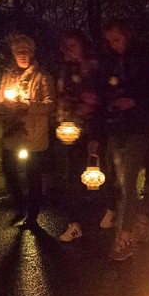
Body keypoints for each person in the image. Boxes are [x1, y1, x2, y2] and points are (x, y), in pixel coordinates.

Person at [100, 19, 149, 261]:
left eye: (117, 39)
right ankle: (142, 222)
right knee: (116, 181)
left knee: (128, 183)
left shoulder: (144, 60)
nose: (113, 44)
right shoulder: (112, 61)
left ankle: (125, 237)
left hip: (137, 128)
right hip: (116, 127)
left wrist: (134, 101)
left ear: (127, 36)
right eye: (110, 41)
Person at [0, 34, 55, 228]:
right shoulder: (7, 76)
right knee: (8, 169)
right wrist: (5, 106)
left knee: (33, 175)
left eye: (26, 51)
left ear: (32, 53)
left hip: (34, 136)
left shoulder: (42, 77)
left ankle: (32, 216)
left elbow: (50, 105)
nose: (22, 54)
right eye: (18, 51)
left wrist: (28, 105)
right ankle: (20, 205)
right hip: (12, 133)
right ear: (13, 54)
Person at [55, 29, 103, 242]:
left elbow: (99, 98)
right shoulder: (66, 69)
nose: (69, 50)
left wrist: (89, 110)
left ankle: (105, 213)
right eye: (65, 46)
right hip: (71, 130)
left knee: (96, 177)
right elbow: (62, 94)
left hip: (93, 130)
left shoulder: (94, 68)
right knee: (73, 176)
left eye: (73, 45)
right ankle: (75, 223)